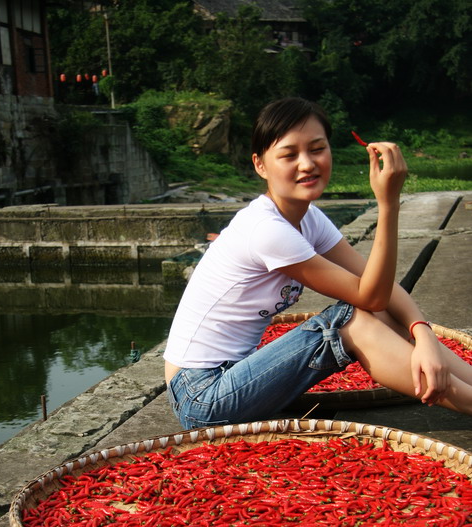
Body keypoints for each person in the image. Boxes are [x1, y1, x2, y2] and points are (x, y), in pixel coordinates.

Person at [163, 96, 472, 429]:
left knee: (376, 313)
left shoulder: (307, 217)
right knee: (348, 320)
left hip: (237, 374)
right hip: (201, 395)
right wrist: (388, 204)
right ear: (260, 165)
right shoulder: (266, 230)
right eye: (289, 155)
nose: (307, 163)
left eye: (317, 149)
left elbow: (376, 286)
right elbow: (370, 297)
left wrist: (423, 335)